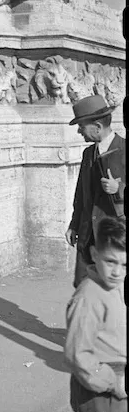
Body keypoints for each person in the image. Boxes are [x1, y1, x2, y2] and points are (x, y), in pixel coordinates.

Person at [64, 216, 126, 412]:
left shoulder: (115, 285)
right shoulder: (88, 298)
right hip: (100, 390)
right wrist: (113, 382)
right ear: (94, 254)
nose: (117, 271)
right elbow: (77, 355)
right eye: (110, 262)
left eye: (124, 264)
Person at [65, 95, 125, 288]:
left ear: (97, 126)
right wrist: (74, 224)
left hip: (115, 240)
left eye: (81, 126)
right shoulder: (88, 154)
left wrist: (119, 189)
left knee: (112, 291)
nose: (79, 131)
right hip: (88, 236)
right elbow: (81, 195)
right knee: (83, 287)